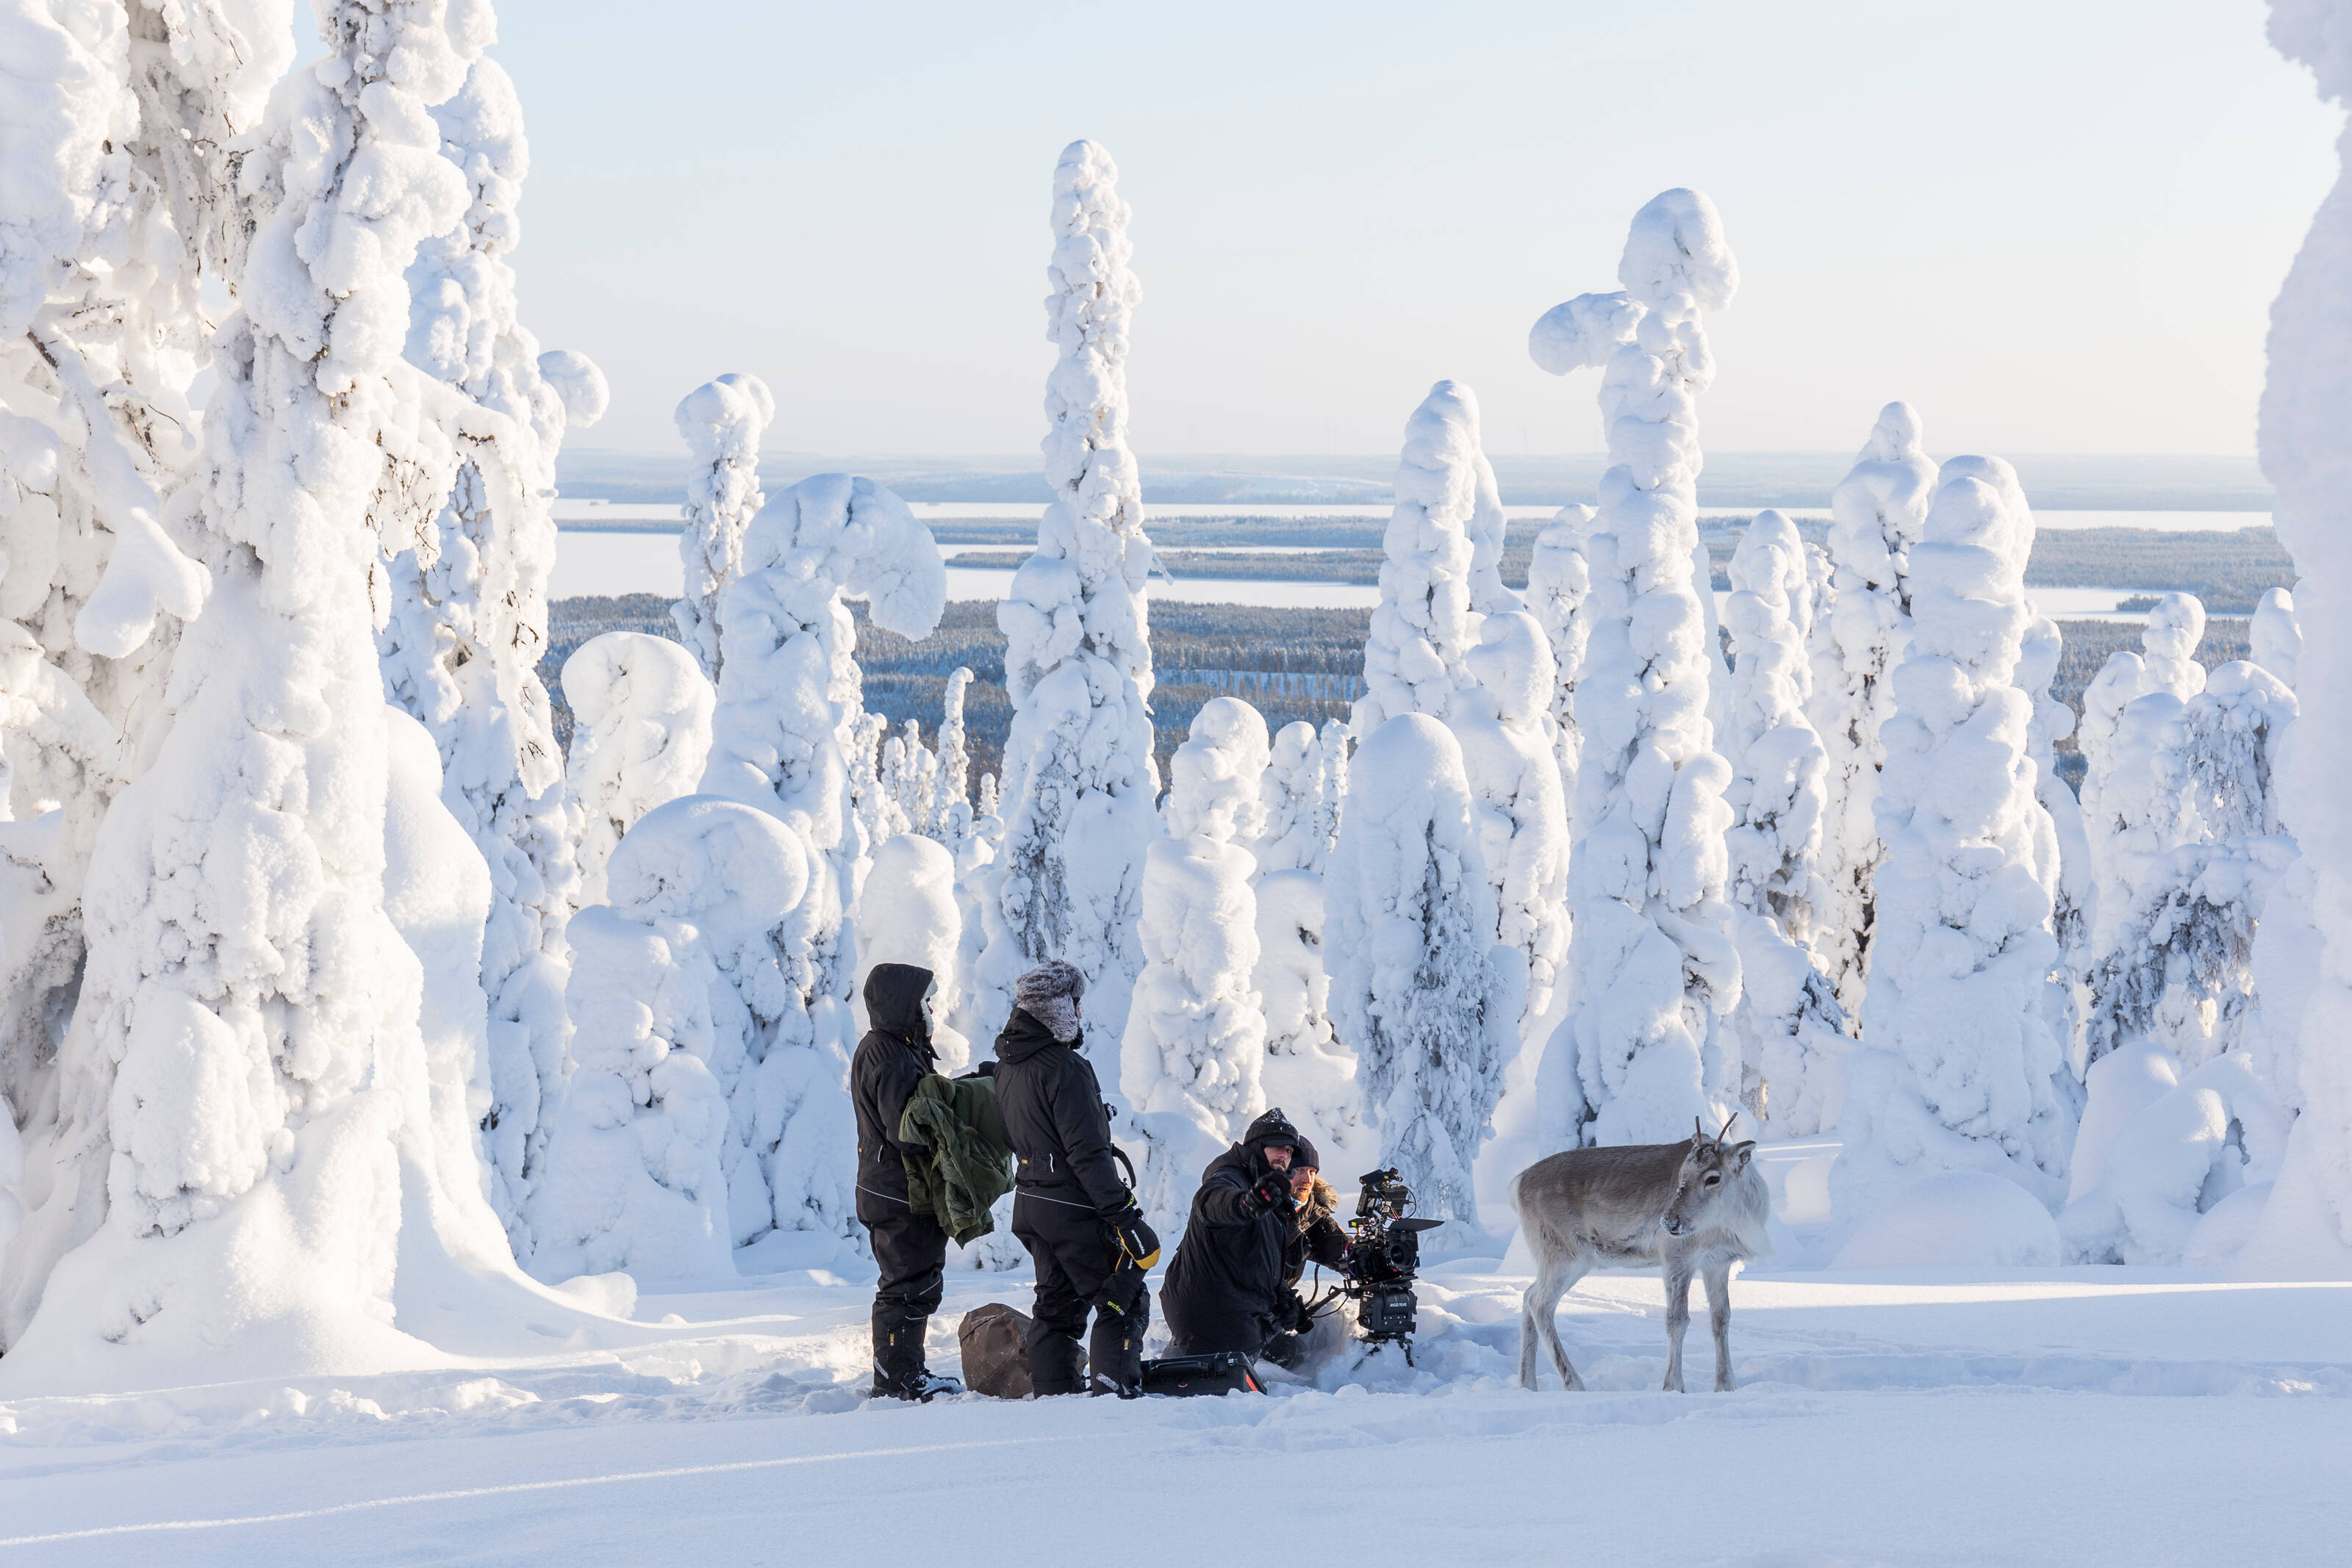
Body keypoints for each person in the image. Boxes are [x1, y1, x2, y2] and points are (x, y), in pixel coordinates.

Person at [990, 960, 1159, 1396]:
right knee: (1121, 1297)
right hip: (1072, 1204)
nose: (1081, 1014)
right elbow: (1087, 1153)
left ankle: (1055, 1394)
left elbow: (1027, 1131)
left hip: (1031, 1202)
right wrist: (1123, 1216)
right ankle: (1114, 1394)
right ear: (1058, 1009)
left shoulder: (1008, 1066)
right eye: (1076, 1004)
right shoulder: (1065, 1066)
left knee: (1057, 1304)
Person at [850, 962, 964, 1401]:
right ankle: (898, 1378)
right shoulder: (888, 1053)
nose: (930, 1008)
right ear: (905, 1004)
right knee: (907, 1284)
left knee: (913, 1280)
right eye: (925, 1000)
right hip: (898, 1190)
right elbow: (907, 1129)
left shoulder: (896, 1048)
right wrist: (952, 1118)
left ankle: (902, 1371)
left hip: (894, 1187)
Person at [1161, 1108, 1352, 1368]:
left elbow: (1263, 1263)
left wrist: (1284, 1302)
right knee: (1208, 1376)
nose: (1305, 1178)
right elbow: (1213, 1200)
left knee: (1290, 1354)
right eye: (1276, 1148)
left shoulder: (1288, 1209)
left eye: (1289, 1150)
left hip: (1243, 1306)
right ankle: (1177, 1367)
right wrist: (1246, 1203)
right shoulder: (1234, 1178)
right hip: (1208, 1304)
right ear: (1257, 1148)